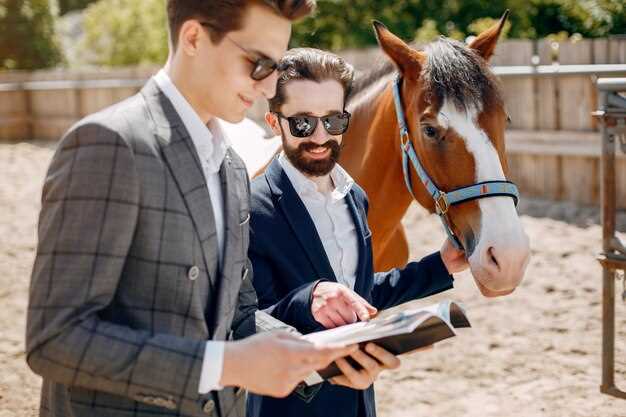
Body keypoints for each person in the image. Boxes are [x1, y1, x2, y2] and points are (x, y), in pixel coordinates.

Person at [25, 2, 357, 417]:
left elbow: (237, 314)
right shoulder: (109, 144)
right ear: (194, 38)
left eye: (276, 69)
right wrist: (224, 365)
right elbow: (55, 340)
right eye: (258, 64)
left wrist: (318, 355)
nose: (270, 88)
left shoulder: (233, 165)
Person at [247, 48, 469, 417]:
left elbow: (360, 292)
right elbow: (247, 319)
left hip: (360, 404)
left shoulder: (354, 197)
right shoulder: (252, 208)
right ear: (274, 122)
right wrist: (310, 298)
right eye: (303, 124)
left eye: (333, 122)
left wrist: (439, 267)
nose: (321, 137)